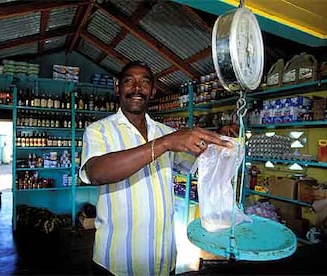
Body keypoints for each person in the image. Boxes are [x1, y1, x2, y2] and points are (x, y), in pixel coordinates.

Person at [79, 61, 232, 275]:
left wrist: (218, 139)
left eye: (144, 82)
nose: (137, 88)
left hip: (164, 260)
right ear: (117, 87)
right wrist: (164, 143)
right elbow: (96, 173)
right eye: (129, 81)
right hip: (117, 263)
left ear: (152, 90)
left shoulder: (165, 131)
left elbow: (198, 160)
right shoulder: (99, 131)